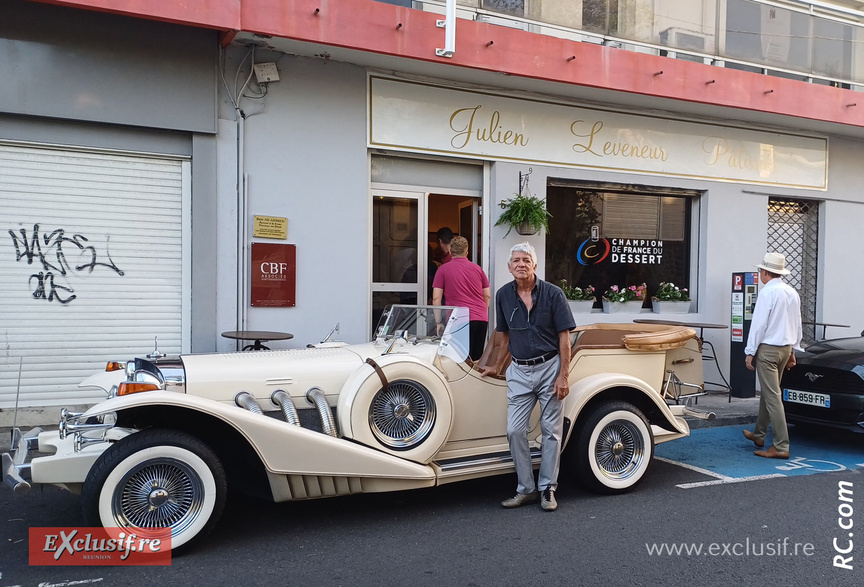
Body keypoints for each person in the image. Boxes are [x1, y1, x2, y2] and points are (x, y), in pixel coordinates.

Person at [481, 242, 575, 511]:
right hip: (519, 370)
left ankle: (548, 489)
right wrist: (497, 367)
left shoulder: (554, 294)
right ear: (509, 267)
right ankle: (526, 489)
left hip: (549, 367)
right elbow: (504, 336)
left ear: (534, 266)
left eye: (526, 260)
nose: (521, 264)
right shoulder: (502, 295)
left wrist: (563, 376)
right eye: (516, 260)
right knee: (514, 430)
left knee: (551, 432)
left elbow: (564, 339)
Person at [742, 252, 803, 460]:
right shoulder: (791, 292)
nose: (759, 273)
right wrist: (794, 349)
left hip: (768, 349)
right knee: (771, 393)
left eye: (760, 270)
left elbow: (758, 325)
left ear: (766, 272)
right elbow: (797, 323)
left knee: (772, 397)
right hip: (785, 347)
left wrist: (750, 351)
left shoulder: (767, 293)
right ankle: (759, 434)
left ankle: (781, 445)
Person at [431, 236, 490, 361]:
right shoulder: (478, 269)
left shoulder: (443, 269)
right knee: (475, 360)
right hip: (481, 319)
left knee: (459, 361)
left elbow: (436, 298)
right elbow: (487, 295)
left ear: (450, 252)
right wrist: (481, 312)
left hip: (459, 320)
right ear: (467, 252)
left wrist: (439, 322)